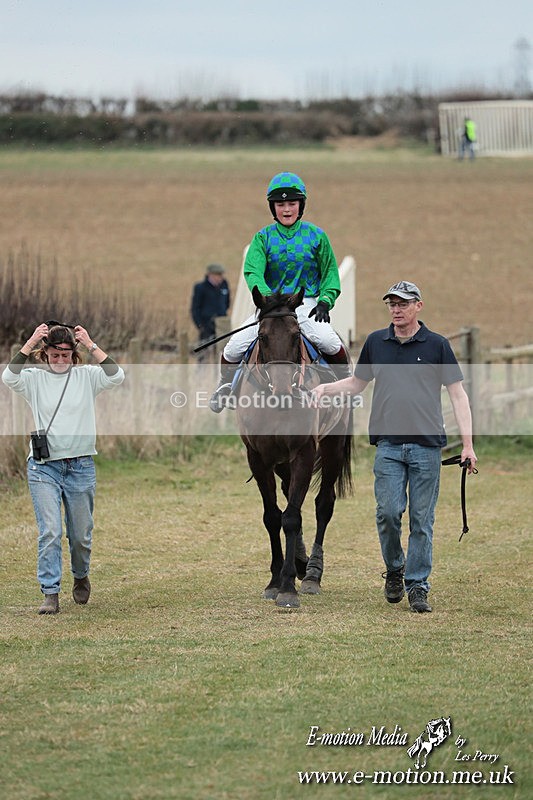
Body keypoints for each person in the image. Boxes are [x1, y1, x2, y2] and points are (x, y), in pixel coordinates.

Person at [313, 281, 477, 613]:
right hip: (388, 446)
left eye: (402, 303)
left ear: (419, 306)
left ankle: (417, 585)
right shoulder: (376, 342)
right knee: (387, 513)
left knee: (421, 519)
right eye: (391, 304)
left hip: (427, 448)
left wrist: (468, 445)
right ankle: (394, 569)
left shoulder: (437, 345)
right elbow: (358, 384)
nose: (396, 309)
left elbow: (458, 396)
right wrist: (324, 391)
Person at [2, 321, 125, 614]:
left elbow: (117, 375)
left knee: (81, 534)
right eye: (54, 355)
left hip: (80, 465)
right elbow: (8, 376)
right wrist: (31, 341)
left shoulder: (87, 377)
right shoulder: (33, 379)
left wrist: (91, 344)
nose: (60, 361)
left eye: (65, 355)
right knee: (50, 531)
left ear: (74, 355)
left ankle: (80, 575)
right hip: (43, 468)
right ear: (45, 355)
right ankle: (50, 592)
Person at [209, 171, 350, 411]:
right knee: (233, 347)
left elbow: (330, 273)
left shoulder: (317, 236)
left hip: (304, 304)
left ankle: (345, 387)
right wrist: (267, 299)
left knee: (329, 341)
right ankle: (226, 387)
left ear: (300, 205)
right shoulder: (262, 238)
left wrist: (326, 300)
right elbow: (253, 271)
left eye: (292, 203)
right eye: (280, 204)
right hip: (270, 307)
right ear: (272, 207)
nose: (286, 209)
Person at [190, 263, 230, 346]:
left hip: (221, 323)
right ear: (210, 275)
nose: (220, 277)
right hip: (206, 324)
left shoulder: (224, 285)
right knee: (205, 350)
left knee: (222, 348)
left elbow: (227, 302)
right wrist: (200, 325)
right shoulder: (200, 287)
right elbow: (195, 308)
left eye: (221, 274)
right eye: (217, 274)